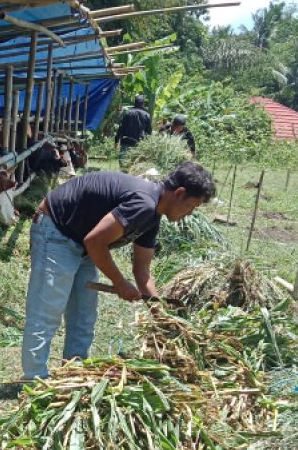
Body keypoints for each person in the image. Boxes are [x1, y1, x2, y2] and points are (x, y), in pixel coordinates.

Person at [20, 161, 215, 380]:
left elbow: (142, 271)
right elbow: (95, 242)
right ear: (179, 193)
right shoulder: (144, 203)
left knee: (84, 315)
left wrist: (161, 315)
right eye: (193, 206)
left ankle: (72, 374)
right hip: (56, 230)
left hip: (81, 242)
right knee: (48, 310)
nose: (190, 213)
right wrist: (119, 282)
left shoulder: (153, 216)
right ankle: (34, 381)